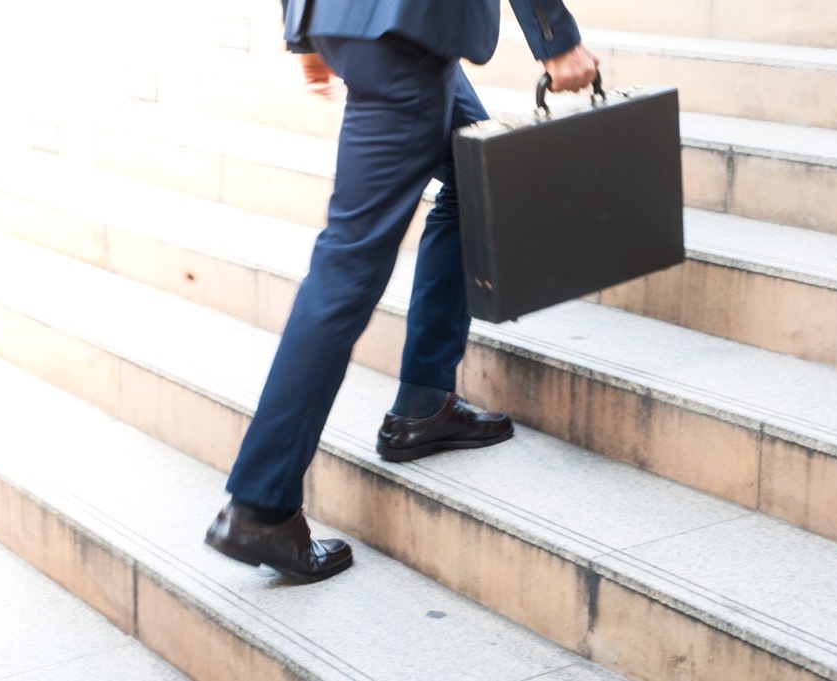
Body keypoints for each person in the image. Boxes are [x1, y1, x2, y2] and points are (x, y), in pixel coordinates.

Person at [205, 0, 600, 583]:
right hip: (407, 35)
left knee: (475, 178)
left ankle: (423, 406)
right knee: (346, 271)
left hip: (368, 26)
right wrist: (555, 39)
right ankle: (261, 506)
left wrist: (307, 31)